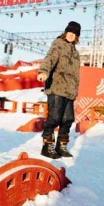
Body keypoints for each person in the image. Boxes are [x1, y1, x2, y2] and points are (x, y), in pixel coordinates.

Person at [37, 21, 81, 159]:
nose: (71, 35)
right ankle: (47, 145)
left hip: (69, 91)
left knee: (68, 119)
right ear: (65, 32)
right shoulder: (58, 44)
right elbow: (49, 58)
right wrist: (44, 71)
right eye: (69, 32)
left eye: (74, 33)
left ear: (77, 36)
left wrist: (75, 89)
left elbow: (75, 73)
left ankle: (61, 146)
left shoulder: (76, 52)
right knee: (55, 117)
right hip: (57, 86)